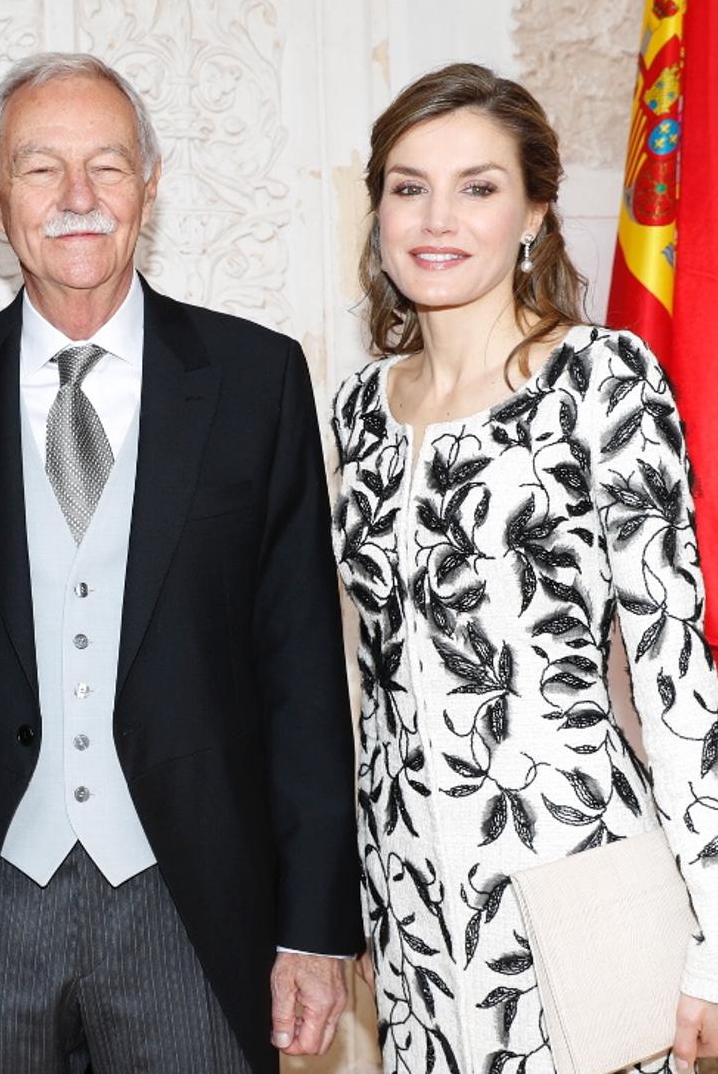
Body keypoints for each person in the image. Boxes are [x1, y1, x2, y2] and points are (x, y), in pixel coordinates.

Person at [0, 52, 362, 1072]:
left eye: (109, 166)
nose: (79, 199)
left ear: (152, 183)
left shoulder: (254, 381)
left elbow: (302, 670)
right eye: (42, 168)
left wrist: (312, 928)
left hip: (195, 906)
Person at [331, 62, 718, 1072]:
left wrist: (713, 943)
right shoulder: (356, 411)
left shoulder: (603, 380)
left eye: (479, 186)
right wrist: (368, 901)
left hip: (577, 879)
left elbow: (675, 675)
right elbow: (375, 686)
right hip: (415, 911)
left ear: (536, 212)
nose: (436, 218)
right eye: (408, 186)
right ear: (376, 210)